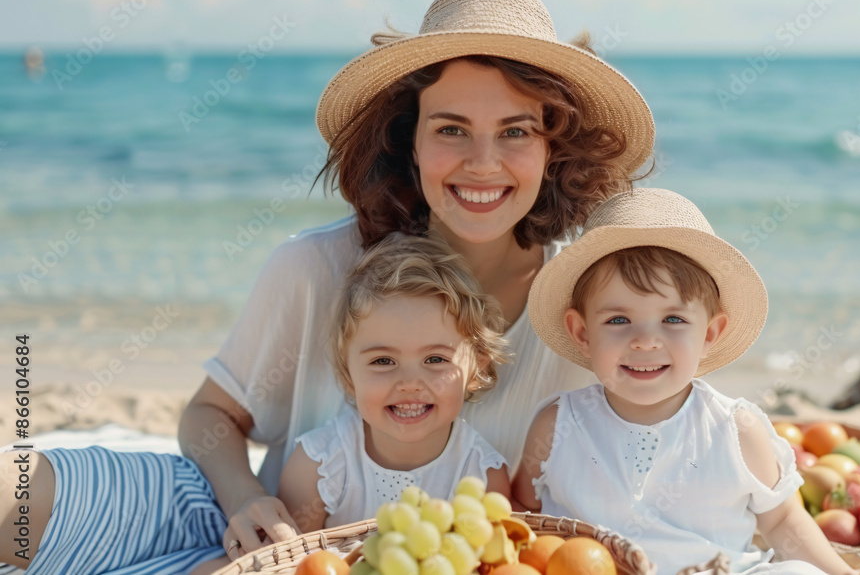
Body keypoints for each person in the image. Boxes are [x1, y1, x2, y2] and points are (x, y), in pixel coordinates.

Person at [176, 0, 656, 561]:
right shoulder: (313, 268)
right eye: (451, 129)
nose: (483, 163)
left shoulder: (588, 307)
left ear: (554, 149)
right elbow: (210, 414)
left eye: (516, 131)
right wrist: (244, 497)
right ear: (410, 142)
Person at [0, 233, 510, 575]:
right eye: (382, 363)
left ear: (479, 367)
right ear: (346, 379)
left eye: (436, 360)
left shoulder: (483, 474)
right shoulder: (321, 461)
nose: (409, 383)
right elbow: (288, 558)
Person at [512, 189, 860, 575]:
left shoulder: (736, 429)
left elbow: (784, 521)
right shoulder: (557, 425)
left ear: (710, 334)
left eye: (673, 319)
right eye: (618, 320)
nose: (645, 341)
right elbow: (524, 517)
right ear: (583, 333)